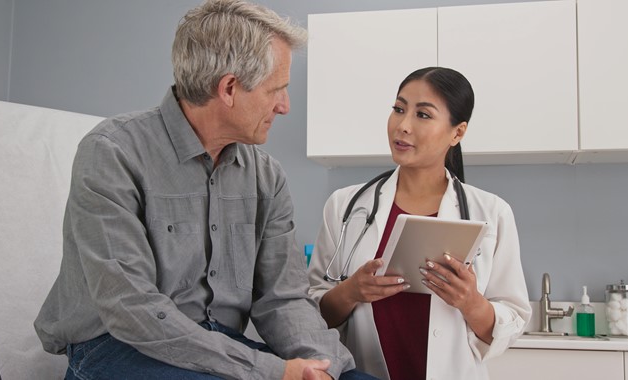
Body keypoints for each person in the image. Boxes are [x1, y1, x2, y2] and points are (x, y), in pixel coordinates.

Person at [34, 1, 374, 379]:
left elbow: (284, 298)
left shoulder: (266, 176)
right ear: (228, 88)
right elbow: (131, 307)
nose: (285, 106)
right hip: (117, 346)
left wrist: (322, 367)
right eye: (276, 90)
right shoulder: (112, 152)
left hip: (216, 345)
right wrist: (272, 371)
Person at [307, 67, 531, 380]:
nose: (403, 125)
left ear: (458, 132)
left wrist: (472, 303)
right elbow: (311, 313)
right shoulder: (345, 206)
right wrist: (351, 291)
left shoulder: (491, 213)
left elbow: (512, 321)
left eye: (423, 115)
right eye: (399, 109)